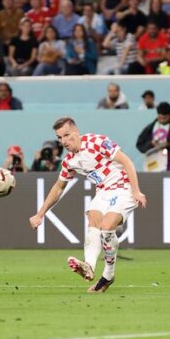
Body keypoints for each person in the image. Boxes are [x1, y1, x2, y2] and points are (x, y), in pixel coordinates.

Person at [29, 117, 147, 293]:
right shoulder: (70, 161)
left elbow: (126, 161)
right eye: (59, 138)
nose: (64, 141)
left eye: (67, 135)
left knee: (107, 226)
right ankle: (88, 266)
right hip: (103, 192)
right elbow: (58, 187)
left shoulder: (97, 142)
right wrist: (40, 214)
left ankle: (108, 275)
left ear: (76, 132)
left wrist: (136, 190)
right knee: (93, 217)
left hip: (123, 187)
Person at [135, 102, 170, 171]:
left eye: (164, 118)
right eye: (160, 117)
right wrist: (151, 144)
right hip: (153, 164)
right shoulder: (150, 128)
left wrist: (169, 144)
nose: (162, 119)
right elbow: (139, 145)